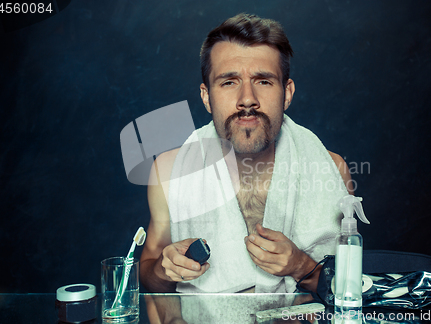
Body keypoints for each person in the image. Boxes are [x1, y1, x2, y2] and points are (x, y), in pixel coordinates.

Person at [140, 13, 354, 294]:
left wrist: (301, 266)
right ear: (206, 97)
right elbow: (149, 276)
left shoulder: (332, 168)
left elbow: (352, 286)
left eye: (263, 81)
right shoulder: (169, 171)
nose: (247, 99)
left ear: (287, 93)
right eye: (229, 82)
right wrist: (163, 268)